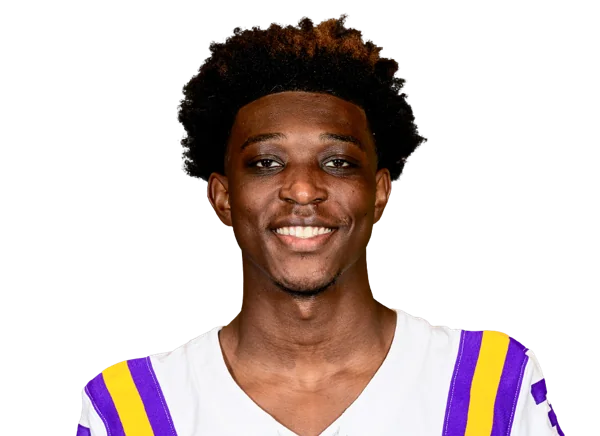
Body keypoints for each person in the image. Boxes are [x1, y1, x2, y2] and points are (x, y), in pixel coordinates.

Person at [77, 15, 564, 436]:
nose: (304, 190)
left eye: (338, 162)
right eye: (266, 163)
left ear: (379, 192)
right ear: (223, 197)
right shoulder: (132, 410)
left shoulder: (489, 386)